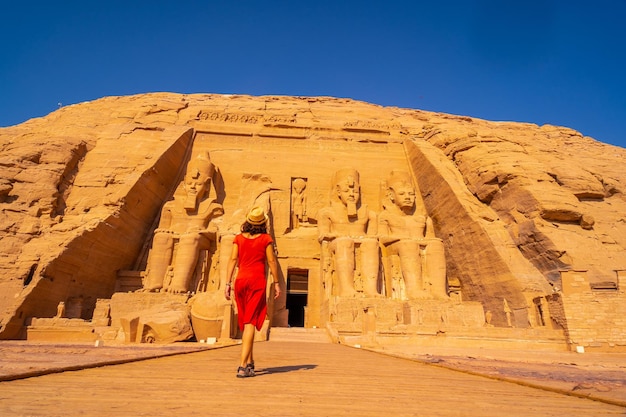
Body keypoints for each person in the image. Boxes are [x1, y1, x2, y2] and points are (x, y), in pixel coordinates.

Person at [224, 207, 281, 378]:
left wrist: (227, 283)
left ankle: (250, 362)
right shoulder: (265, 239)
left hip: (240, 280)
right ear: (263, 223)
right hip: (256, 281)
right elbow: (271, 261)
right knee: (250, 322)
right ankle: (242, 366)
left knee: (245, 320)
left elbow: (233, 259)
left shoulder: (238, 239)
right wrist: (277, 283)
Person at [378, 170, 447, 299]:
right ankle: (413, 289)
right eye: (402, 194)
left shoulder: (423, 217)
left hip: (416, 244)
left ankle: (438, 291)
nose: (408, 197)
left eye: (411, 194)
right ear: (391, 196)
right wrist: (400, 238)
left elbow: (430, 237)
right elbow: (381, 238)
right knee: (408, 245)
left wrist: (426, 241)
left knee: (436, 245)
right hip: (395, 247)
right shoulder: (386, 215)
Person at [317, 168, 379, 297]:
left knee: (371, 244)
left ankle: (371, 289)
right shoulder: (327, 212)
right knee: (345, 242)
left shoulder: (369, 213)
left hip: (359, 242)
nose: (351, 194)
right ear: (338, 192)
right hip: (337, 245)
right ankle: (346, 289)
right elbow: (323, 235)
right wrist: (339, 235)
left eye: (355, 191)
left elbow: (373, 236)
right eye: (346, 191)